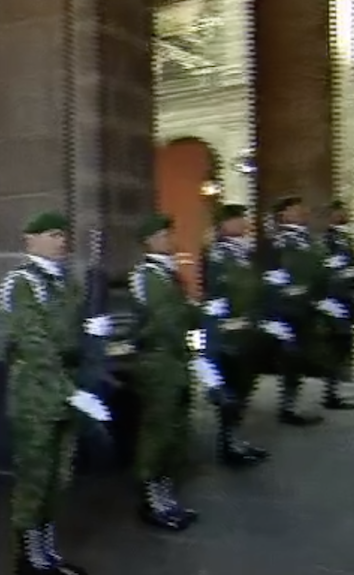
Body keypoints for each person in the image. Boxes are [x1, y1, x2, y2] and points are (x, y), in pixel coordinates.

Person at [0, 210, 115, 575]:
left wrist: (92, 331)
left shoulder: (65, 282)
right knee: (35, 478)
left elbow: (70, 335)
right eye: (52, 234)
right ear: (30, 240)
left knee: (57, 478)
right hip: (36, 393)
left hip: (66, 388)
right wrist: (73, 393)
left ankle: (49, 552)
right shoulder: (22, 284)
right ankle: (29, 558)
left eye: (64, 234)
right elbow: (36, 346)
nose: (61, 240)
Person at [128, 213, 202, 530]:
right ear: (150, 241)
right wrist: (192, 312)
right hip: (158, 363)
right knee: (158, 433)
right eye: (163, 235)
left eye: (169, 233)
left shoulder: (167, 274)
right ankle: (151, 499)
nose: (170, 239)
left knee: (175, 431)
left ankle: (166, 496)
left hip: (175, 360)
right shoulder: (148, 276)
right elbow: (168, 321)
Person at [200, 204, 270, 467]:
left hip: (247, 332)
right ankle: (228, 444)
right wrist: (218, 332)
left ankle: (235, 439)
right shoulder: (219, 255)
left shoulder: (244, 254)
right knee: (230, 393)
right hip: (229, 335)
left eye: (244, 218)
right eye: (237, 219)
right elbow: (215, 295)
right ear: (224, 224)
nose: (244, 223)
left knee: (243, 390)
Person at [262, 195, 326, 427]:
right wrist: (275, 309)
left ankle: (291, 403)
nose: (303, 212)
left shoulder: (307, 240)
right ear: (284, 214)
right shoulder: (280, 242)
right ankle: (287, 407)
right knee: (291, 359)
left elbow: (317, 271)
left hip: (305, 308)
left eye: (303, 208)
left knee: (299, 358)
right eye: (297, 209)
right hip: (288, 310)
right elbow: (272, 276)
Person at [318, 200, 354, 411]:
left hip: (348, 299)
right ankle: (330, 392)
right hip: (335, 301)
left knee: (345, 345)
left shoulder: (346, 238)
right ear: (331, 216)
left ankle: (335, 390)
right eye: (339, 212)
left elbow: (352, 265)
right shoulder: (326, 240)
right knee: (335, 347)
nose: (344, 215)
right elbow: (325, 270)